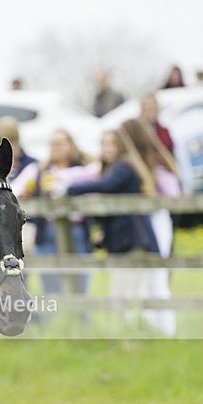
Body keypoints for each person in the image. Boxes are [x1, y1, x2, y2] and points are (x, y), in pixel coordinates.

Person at [64, 129, 159, 326]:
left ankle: (134, 333)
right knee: (122, 292)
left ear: (121, 145)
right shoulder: (116, 166)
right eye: (104, 144)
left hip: (132, 240)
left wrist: (72, 188)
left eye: (111, 144)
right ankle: (130, 333)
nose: (107, 148)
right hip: (122, 241)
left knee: (128, 293)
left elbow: (106, 185)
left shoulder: (124, 165)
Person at [119, 118, 181, 335]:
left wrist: (151, 197)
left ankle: (166, 330)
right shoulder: (128, 163)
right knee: (142, 279)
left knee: (158, 276)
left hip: (156, 219)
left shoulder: (154, 162)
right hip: (140, 221)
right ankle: (149, 328)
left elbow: (173, 192)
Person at [34, 128, 99, 296]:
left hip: (76, 229)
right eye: (52, 144)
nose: (54, 147)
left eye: (59, 143)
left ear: (70, 145)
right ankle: (52, 322)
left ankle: (80, 321)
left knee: (79, 285)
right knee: (50, 288)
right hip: (47, 230)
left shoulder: (84, 170)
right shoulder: (42, 170)